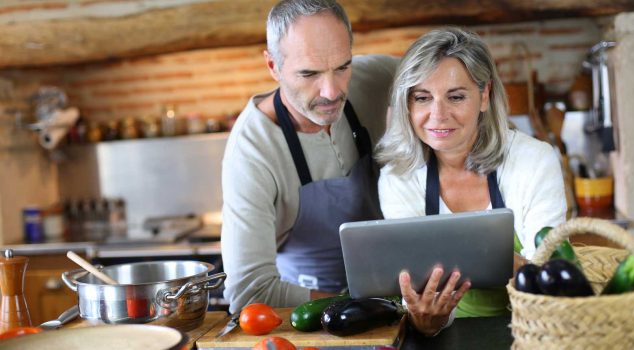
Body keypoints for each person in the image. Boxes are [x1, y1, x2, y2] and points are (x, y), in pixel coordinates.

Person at [375, 27, 567, 321]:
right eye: (423, 98)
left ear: (485, 95)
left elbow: (547, 277)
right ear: (407, 103)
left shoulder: (534, 160)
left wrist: (469, 258)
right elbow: (416, 288)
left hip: (530, 328)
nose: (438, 115)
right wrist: (429, 323)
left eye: (455, 97)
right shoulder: (398, 176)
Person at [220, 0, 400, 314]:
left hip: (398, 293)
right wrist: (360, 307)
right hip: (309, 321)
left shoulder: (379, 79)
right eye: (309, 73)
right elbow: (249, 291)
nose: (331, 92)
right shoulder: (251, 151)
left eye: (343, 67)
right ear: (273, 67)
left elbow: (456, 86)